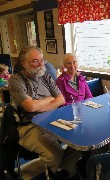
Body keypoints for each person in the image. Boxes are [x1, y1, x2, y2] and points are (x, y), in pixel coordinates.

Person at [9, 46, 81, 179]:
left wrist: (39, 106)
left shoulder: (46, 76)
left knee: (80, 141)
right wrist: (49, 98)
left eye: (42, 60)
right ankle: (66, 173)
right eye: (34, 61)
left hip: (54, 120)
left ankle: (63, 172)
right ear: (24, 63)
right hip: (30, 127)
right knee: (54, 155)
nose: (41, 64)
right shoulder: (15, 80)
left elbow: (61, 99)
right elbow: (30, 107)